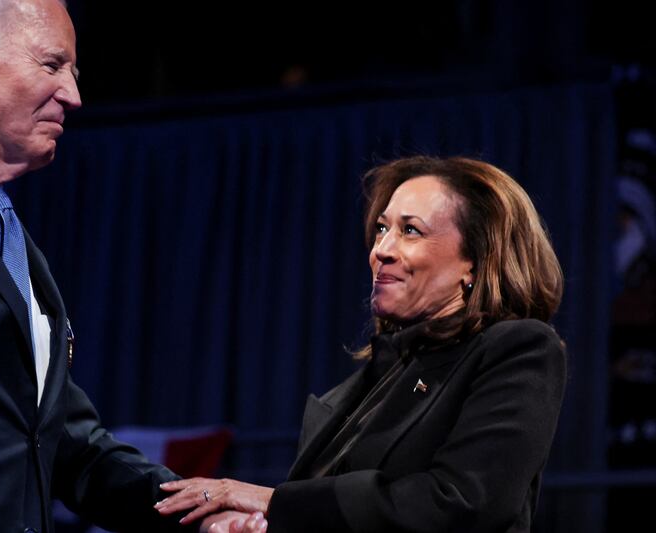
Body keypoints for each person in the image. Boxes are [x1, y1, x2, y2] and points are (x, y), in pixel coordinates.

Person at [0, 0, 243, 531]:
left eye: (74, 72)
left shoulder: (11, 241)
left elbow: (64, 446)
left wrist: (203, 510)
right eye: (52, 64)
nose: (74, 95)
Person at [155, 156, 567, 532]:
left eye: (410, 231)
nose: (381, 250)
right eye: (382, 229)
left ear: (474, 261)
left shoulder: (518, 349)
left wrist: (272, 500)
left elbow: (464, 501)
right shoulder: (359, 391)